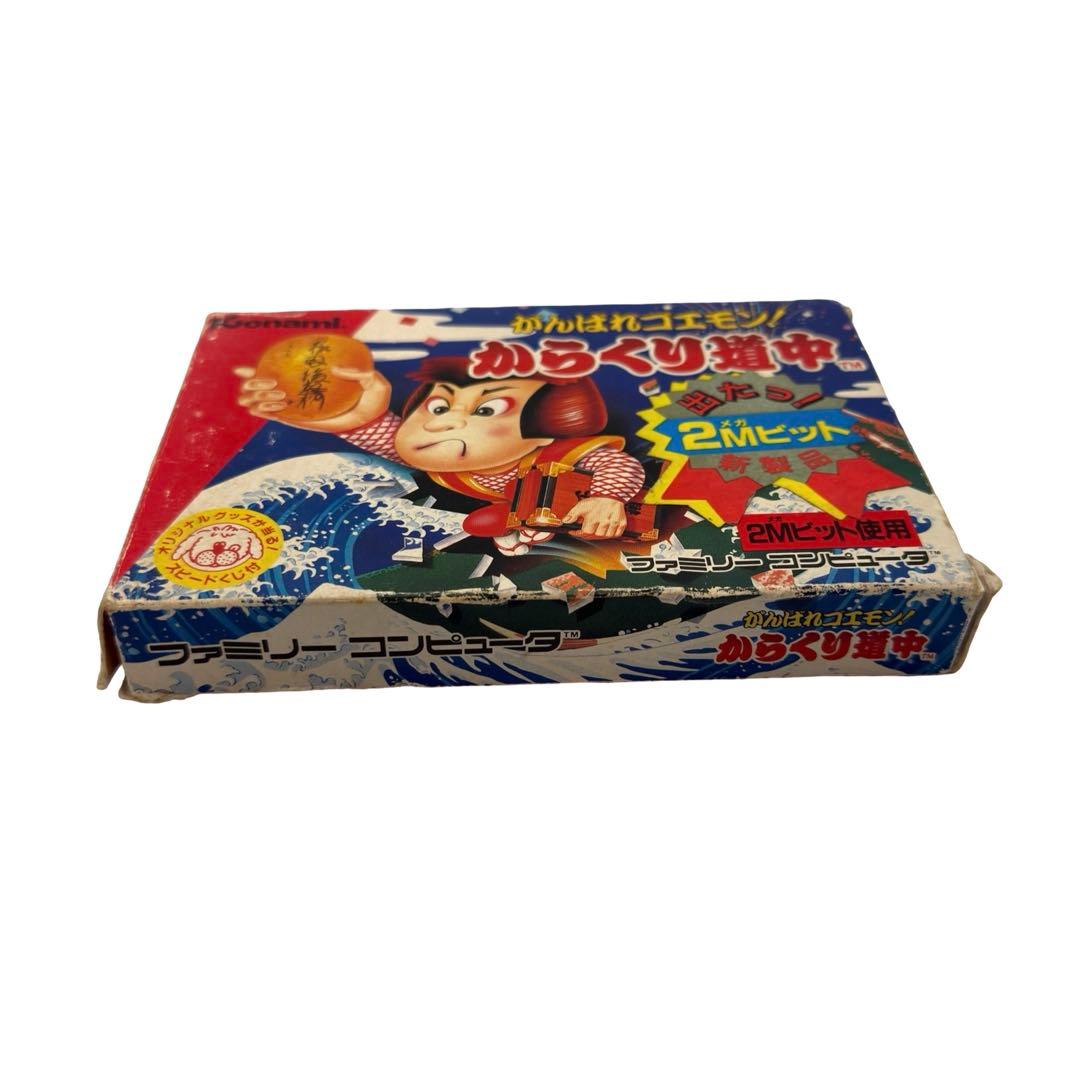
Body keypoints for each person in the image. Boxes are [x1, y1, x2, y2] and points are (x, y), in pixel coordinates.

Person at [235, 355, 645, 555]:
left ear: (545, 430)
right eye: (437, 406)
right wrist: (351, 415)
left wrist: (607, 497)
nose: (441, 424)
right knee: (487, 525)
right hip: (512, 516)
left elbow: (615, 463)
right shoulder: (445, 464)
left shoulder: (557, 455)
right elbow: (394, 441)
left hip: (599, 521)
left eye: (486, 410)